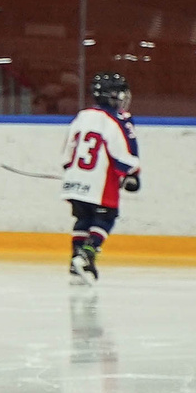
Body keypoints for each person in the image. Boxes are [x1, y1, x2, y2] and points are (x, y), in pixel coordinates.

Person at [60, 72, 141, 285]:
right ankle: (86, 255)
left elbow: (68, 150)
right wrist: (131, 173)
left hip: (75, 179)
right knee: (106, 218)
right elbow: (121, 150)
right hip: (100, 182)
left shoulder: (82, 115)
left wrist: (70, 169)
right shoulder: (117, 119)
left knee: (83, 219)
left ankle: (75, 264)